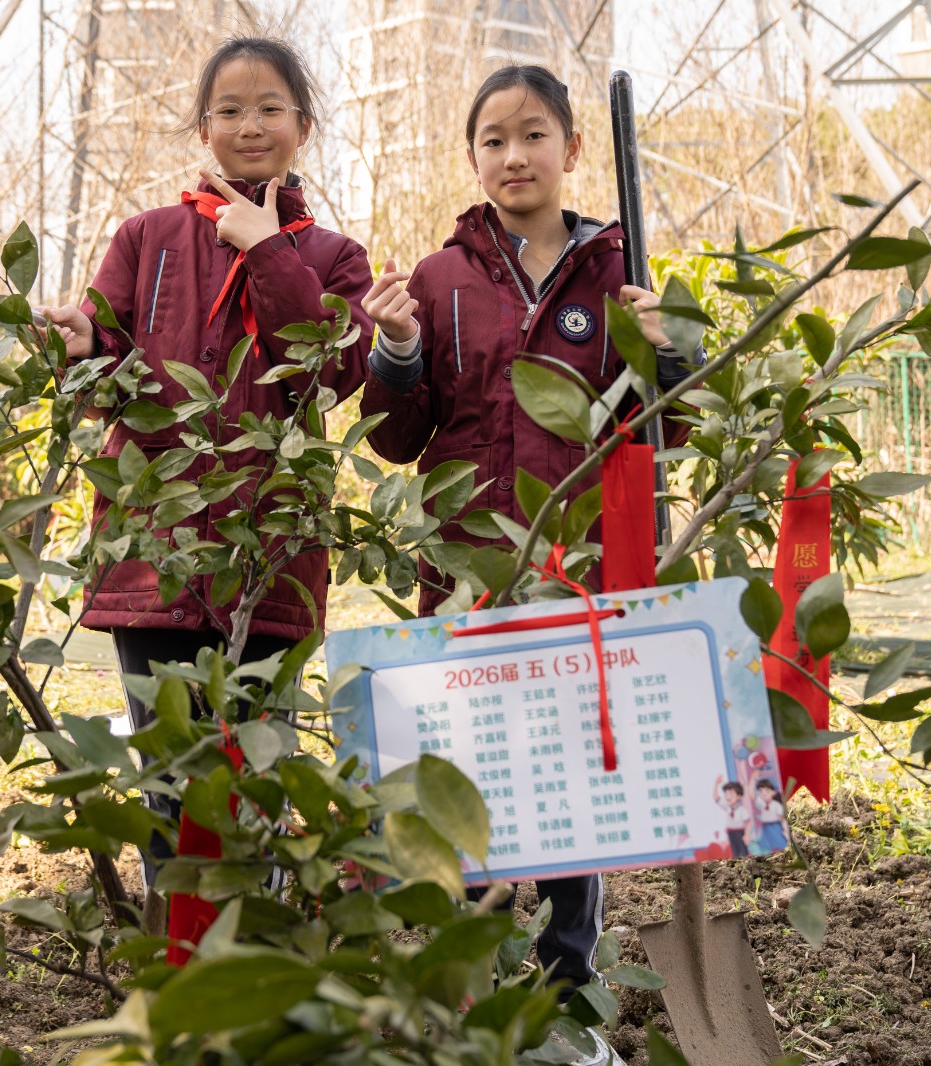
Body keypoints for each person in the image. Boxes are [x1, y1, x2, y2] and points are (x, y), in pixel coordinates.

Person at [359, 64, 701, 1014]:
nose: (515, 155)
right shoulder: (438, 280)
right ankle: (470, 989)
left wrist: (671, 348)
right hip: (465, 564)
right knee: (465, 776)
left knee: (570, 781)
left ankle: (565, 990)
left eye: (534, 134)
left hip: (577, 567)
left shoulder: (624, 275)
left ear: (573, 149)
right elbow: (397, 439)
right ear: (472, 158)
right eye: (494, 139)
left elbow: (672, 429)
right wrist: (396, 353)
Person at [40, 36, 373, 893]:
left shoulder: (334, 258)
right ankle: (172, 946)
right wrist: (82, 349)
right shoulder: (146, 238)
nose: (249, 125)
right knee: (167, 779)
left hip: (272, 553)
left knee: (256, 775)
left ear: (303, 126)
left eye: (269, 109)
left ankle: (256, 946)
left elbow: (333, 371)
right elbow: (107, 375)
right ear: (203, 128)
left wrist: (267, 251)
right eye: (229, 110)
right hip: (154, 547)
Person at [753, 778, 788, 853]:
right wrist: (753, 780)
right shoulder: (762, 804)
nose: (764, 794)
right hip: (765, 828)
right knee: (768, 846)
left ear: (773, 792)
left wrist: (786, 829)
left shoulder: (776, 805)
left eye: (767, 791)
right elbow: (752, 796)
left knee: (779, 843)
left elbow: (782, 818)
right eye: (761, 791)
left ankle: (781, 853)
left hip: (775, 827)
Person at [717, 779, 750, 858]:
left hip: (740, 832)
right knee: (734, 851)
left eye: (731, 794)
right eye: (726, 794)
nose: (728, 797)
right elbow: (716, 798)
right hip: (731, 833)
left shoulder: (742, 810)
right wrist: (716, 784)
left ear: (739, 796)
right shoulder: (727, 808)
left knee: (743, 851)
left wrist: (746, 835)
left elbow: (748, 822)